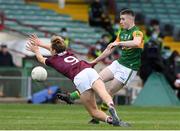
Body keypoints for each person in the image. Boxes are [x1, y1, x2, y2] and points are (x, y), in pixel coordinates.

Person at [58, 9, 144, 124]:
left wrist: (118, 43)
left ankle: (102, 118)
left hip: (129, 68)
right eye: (120, 19)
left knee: (109, 91)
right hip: (118, 63)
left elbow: (136, 43)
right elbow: (109, 49)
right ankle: (72, 97)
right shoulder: (122, 33)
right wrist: (94, 62)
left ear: (130, 19)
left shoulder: (137, 32)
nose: (120, 21)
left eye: (123, 19)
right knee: (95, 80)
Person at [26, 34, 130, 127]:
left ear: (53, 50)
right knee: (104, 94)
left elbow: (40, 59)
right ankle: (111, 108)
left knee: (93, 112)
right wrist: (40, 44)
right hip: (89, 70)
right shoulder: (67, 52)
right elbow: (54, 48)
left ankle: (111, 120)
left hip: (80, 78)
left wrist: (36, 49)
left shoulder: (52, 60)